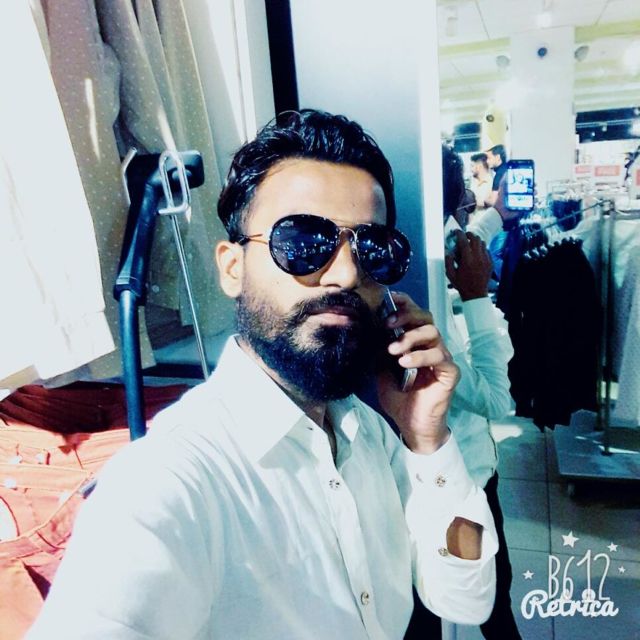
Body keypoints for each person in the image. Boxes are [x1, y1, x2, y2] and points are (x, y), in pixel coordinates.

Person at [27, 110, 498, 640]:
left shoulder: (366, 434)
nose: (345, 274)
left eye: (371, 250)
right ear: (233, 268)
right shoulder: (168, 482)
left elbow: (466, 597)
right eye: (302, 242)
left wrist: (428, 441)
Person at [407, 145, 520, 640]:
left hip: (430, 474)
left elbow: (466, 240)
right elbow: (496, 400)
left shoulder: (418, 258)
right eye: (459, 206)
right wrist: (476, 298)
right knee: (486, 606)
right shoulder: (425, 298)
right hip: (464, 475)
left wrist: (497, 215)